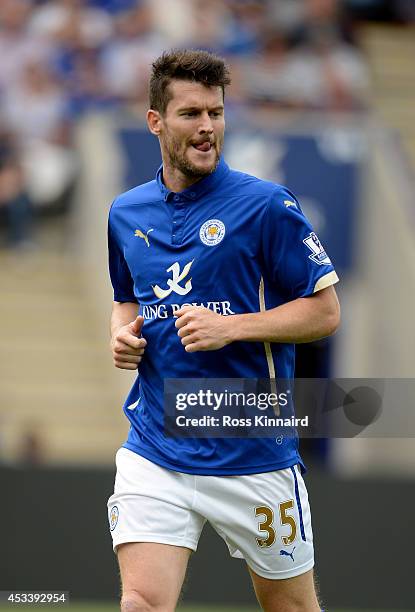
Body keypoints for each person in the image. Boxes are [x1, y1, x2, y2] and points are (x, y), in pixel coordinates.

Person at [107, 49, 340, 611]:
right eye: (191, 114)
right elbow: (125, 301)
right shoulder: (125, 212)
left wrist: (230, 328)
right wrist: (121, 333)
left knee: (289, 608)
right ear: (156, 122)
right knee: (141, 602)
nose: (207, 127)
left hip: (252, 452)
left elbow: (325, 312)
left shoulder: (267, 206)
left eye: (215, 113)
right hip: (155, 445)